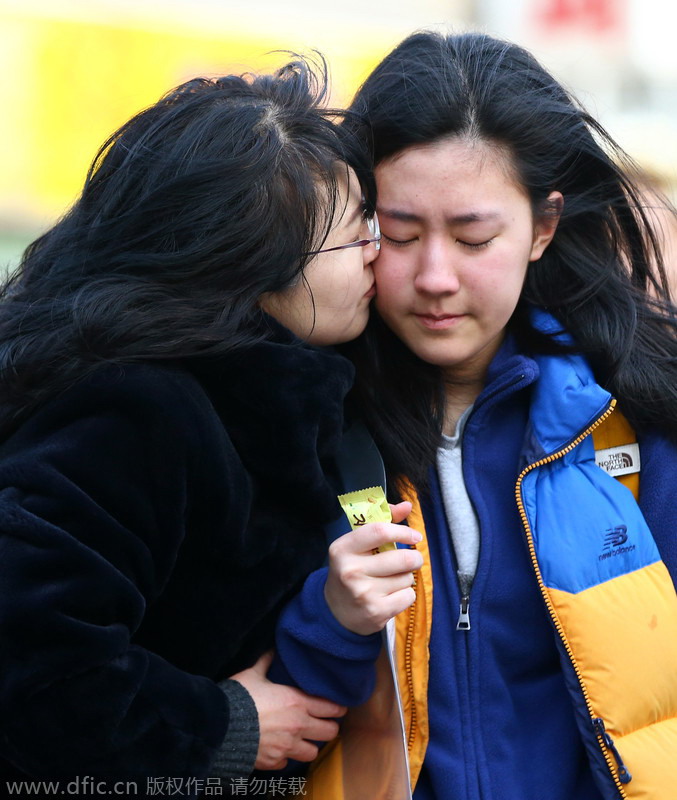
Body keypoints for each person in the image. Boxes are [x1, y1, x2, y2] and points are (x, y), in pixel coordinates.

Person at [274, 31, 677, 800]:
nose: (433, 276)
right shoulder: (302, 420)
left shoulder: (629, 421)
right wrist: (331, 616)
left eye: (472, 237)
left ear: (543, 227)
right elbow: (271, 722)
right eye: (397, 234)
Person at [0, 56, 409, 793]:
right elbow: (32, 656)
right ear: (253, 264)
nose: (381, 255)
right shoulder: (133, 410)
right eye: (357, 237)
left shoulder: (292, 392)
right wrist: (220, 725)